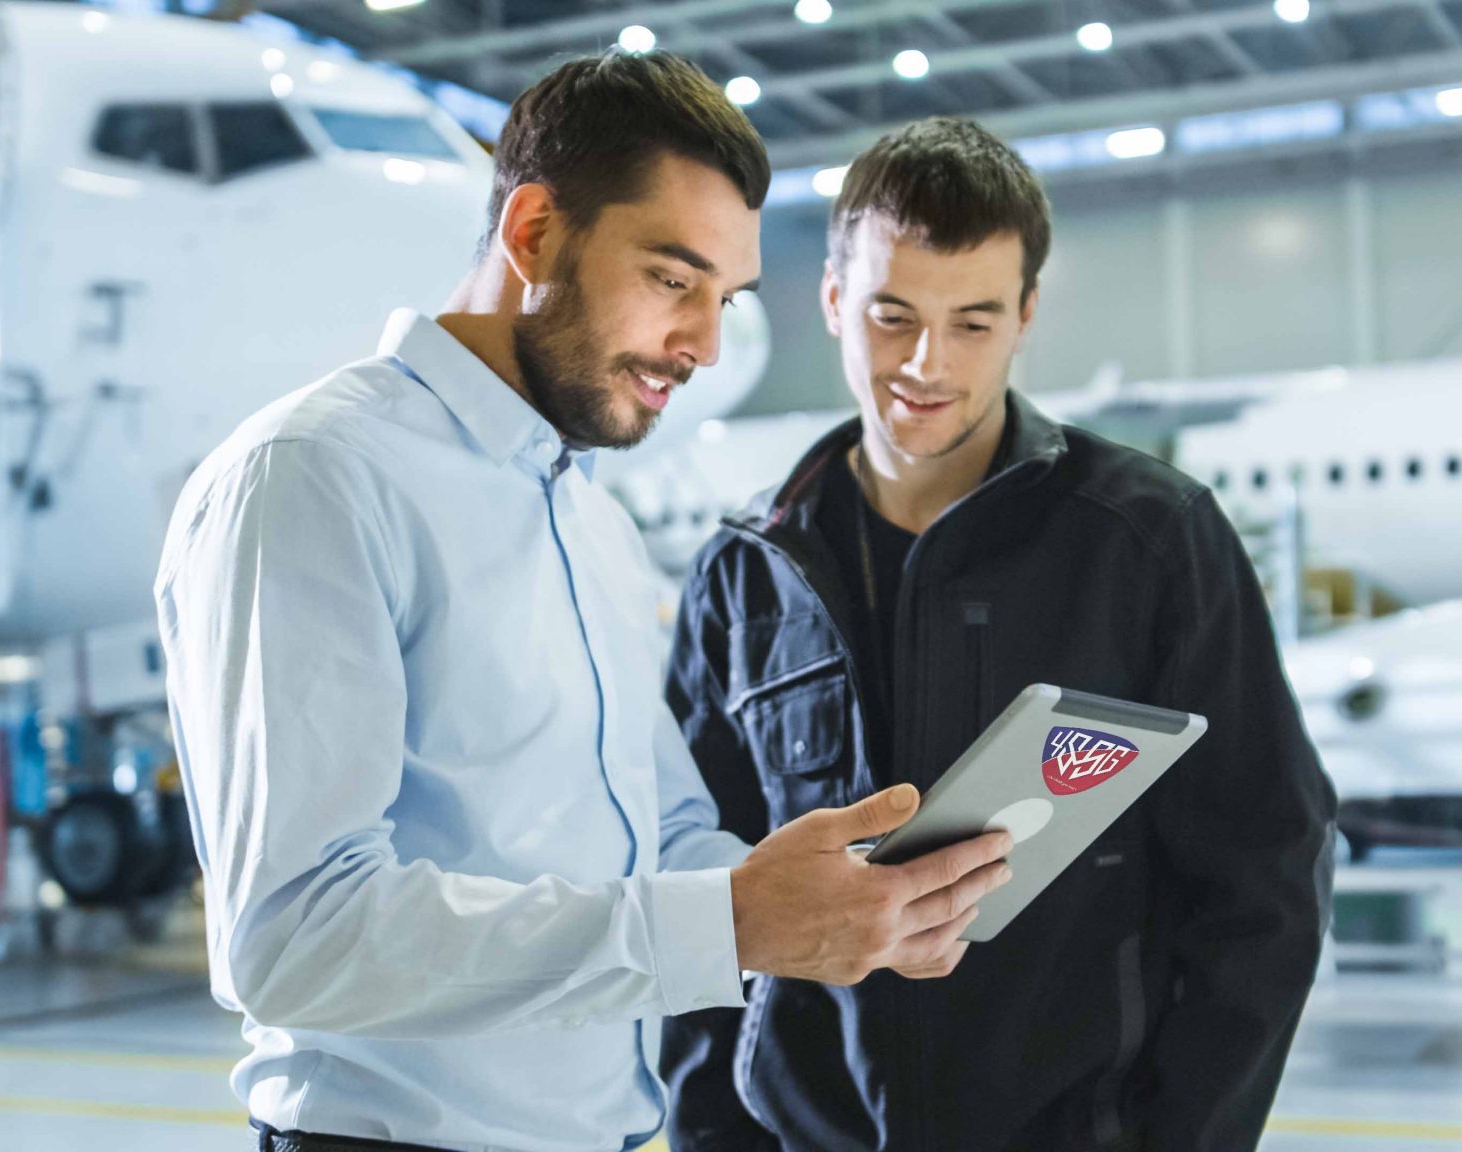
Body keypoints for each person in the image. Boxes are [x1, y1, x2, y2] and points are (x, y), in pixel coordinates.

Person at [156, 56, 1011, 1152]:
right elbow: (296, 938)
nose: (702, 343)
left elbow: (655, 839)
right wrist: (726, 920)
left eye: (723, 298)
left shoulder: (586, 517)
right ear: (532, 236)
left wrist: (845, 907)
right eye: (671, 279)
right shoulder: (316, 475)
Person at [660, 117, 1338, 1152]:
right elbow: (694, 886)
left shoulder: (1147, 541)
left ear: (1024, 316)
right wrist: (714, 1137)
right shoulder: (746, 573)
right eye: (891, 316)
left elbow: (1265, 875)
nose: (925, 364)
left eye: (971, 323)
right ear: (833, 300)